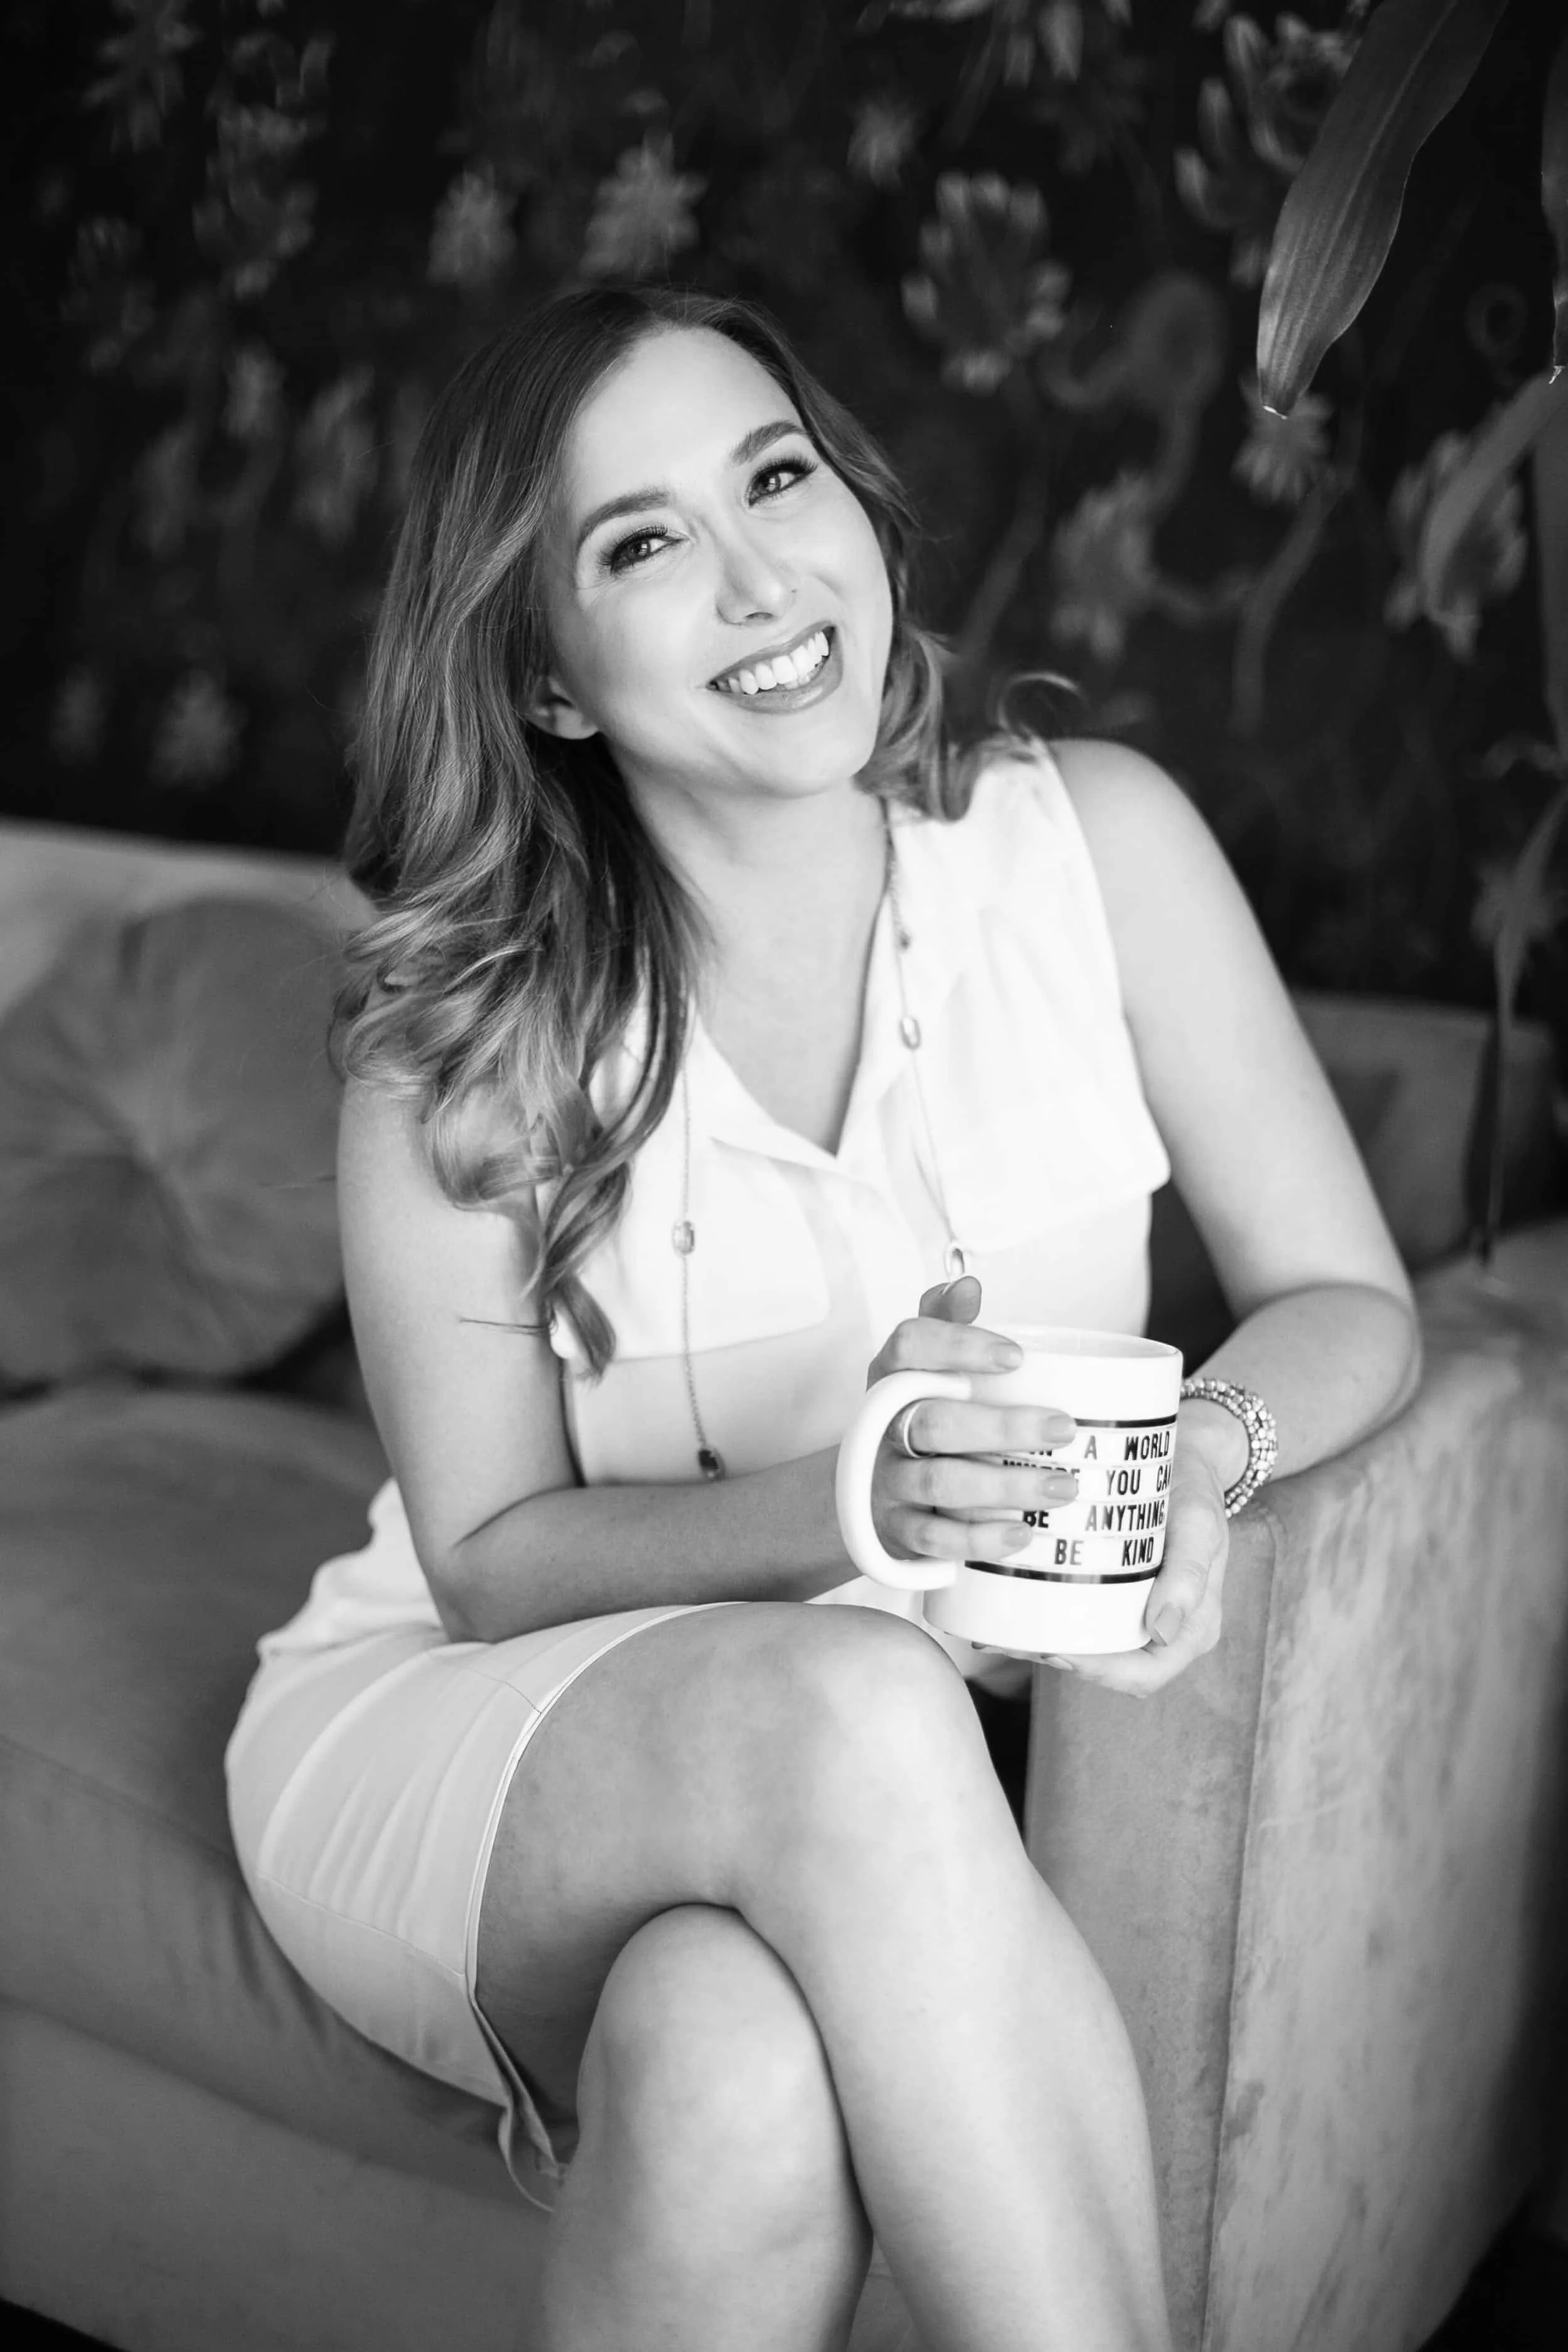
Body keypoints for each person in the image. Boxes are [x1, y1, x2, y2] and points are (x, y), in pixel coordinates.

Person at [224, 284, 1421, 2352]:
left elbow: (1347, 1301)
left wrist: (1197, 1470)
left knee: (732, 2060)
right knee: (858, 1698)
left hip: (847, 1792)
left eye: (772, 477)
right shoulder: (462, 1038)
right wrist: (864, 1489)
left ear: (855, 503)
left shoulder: (1093, 846)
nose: (759, 576)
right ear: (549, 673)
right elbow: (487, 1560)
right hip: (473, 1722)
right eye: (643, 541)